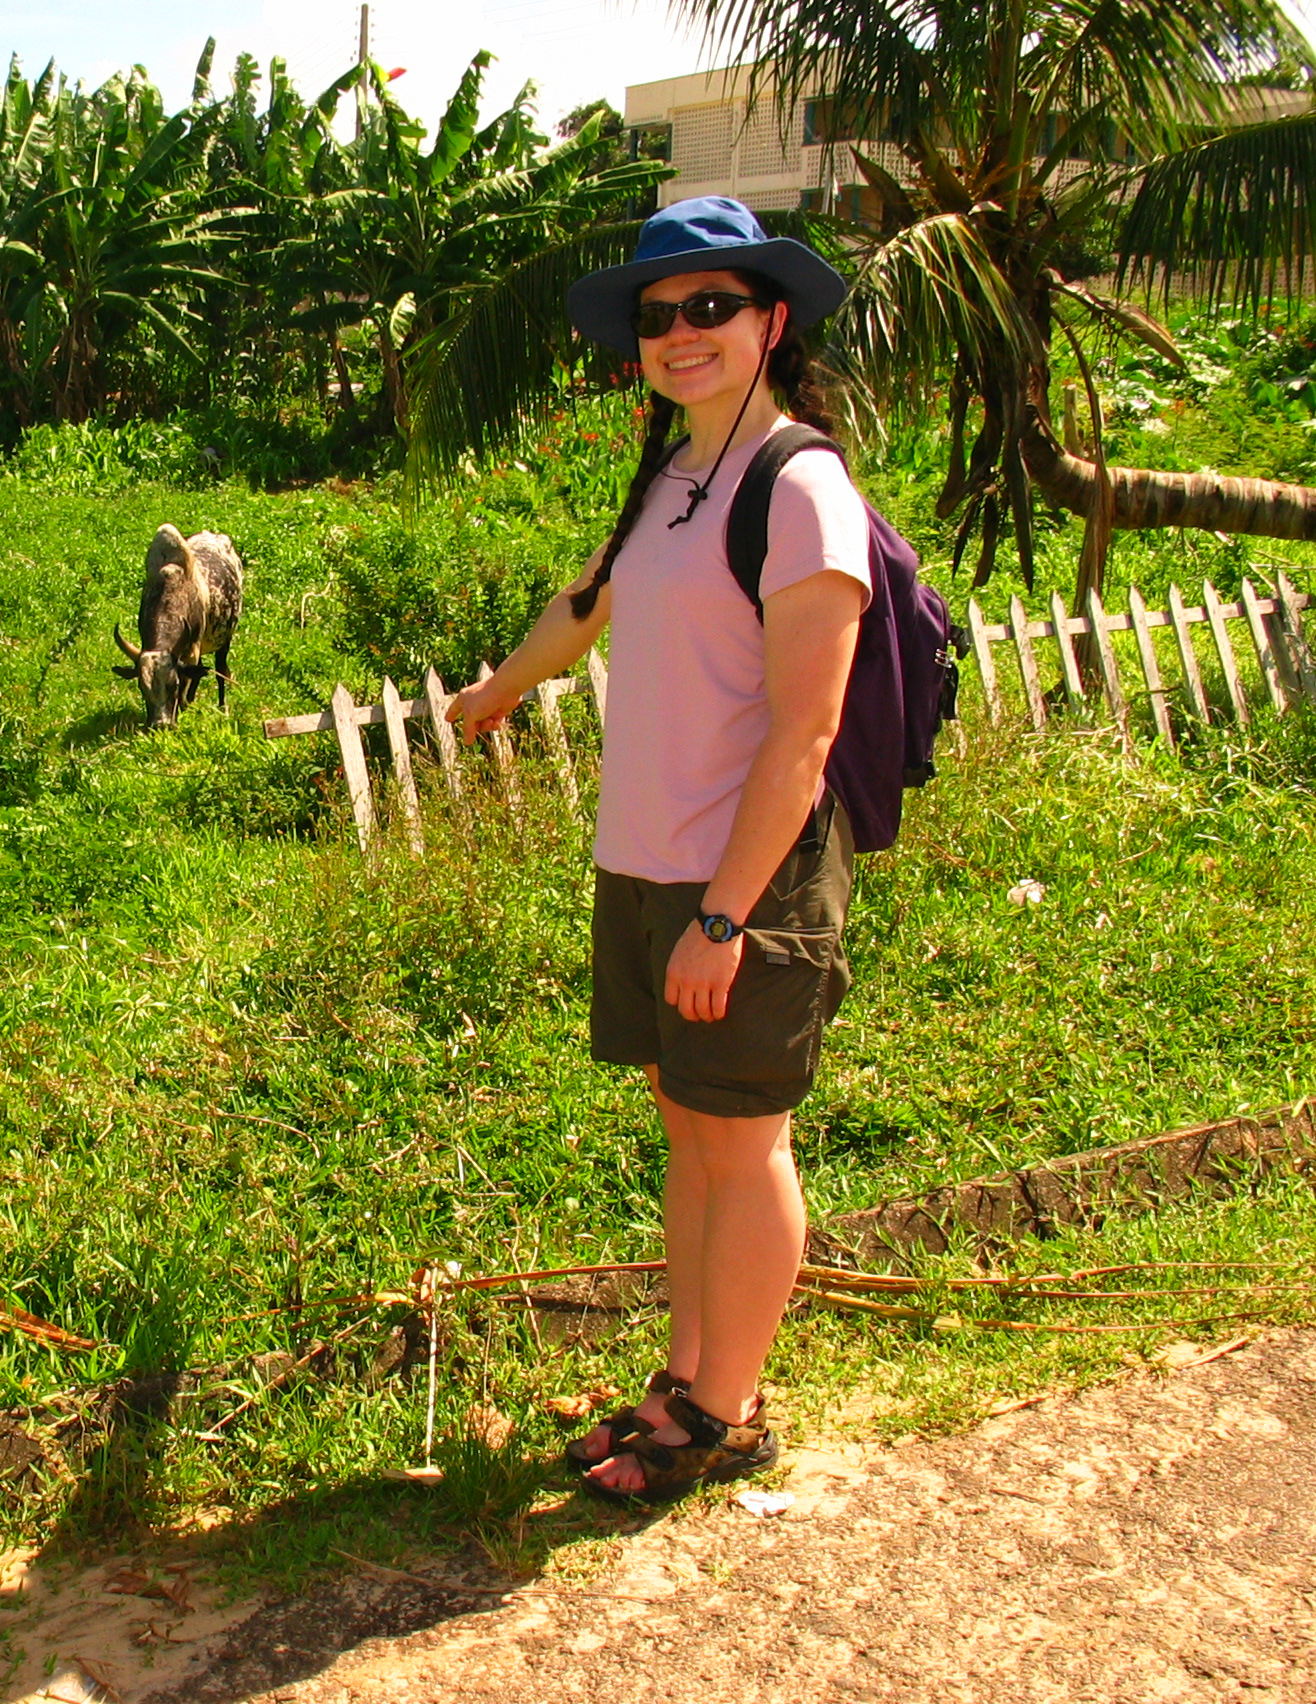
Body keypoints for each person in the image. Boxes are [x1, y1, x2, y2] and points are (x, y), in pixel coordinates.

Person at [450, 197, 868, 1500]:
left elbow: (805, 734)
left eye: (711, 307)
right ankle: (687, 1380)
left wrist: (726, 915)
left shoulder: (800, 487)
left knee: (744, 1144)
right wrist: (500, 689)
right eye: (657, 315)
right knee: (690, 1136)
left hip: (742, 880)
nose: (681, 332)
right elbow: (588, 602)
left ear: (771, 322)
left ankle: (727, 1414)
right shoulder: (675, 475)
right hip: (646, 867)